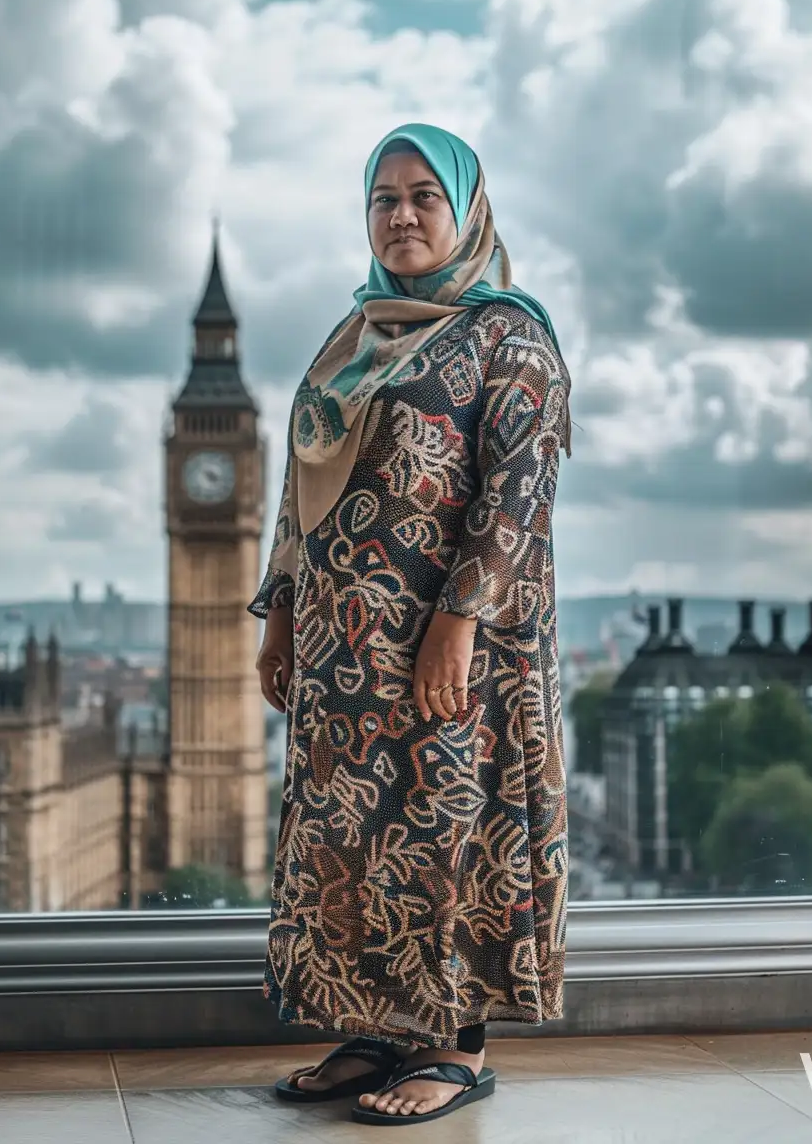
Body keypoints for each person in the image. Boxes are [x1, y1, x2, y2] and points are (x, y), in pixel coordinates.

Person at [254, 125, 571, 1125]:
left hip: (454, 643)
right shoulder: (352, 340)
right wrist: (282, 612)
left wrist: (458, 622)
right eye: (382, 197)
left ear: (465, 209)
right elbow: (301, 486)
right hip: (340, 648)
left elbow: (518, 494)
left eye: (422, 196)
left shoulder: (507, 336)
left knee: (448, 826)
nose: (399, 214)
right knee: (354, 831)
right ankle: (379, 1023)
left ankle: (453, 1044)